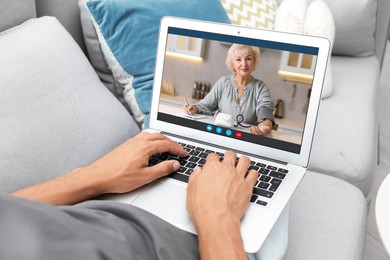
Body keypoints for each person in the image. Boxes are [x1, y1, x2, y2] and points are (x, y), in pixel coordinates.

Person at [184, 44, 275, 135]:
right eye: (238, 59)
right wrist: (194, 108)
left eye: (248, 59)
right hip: (220, 134)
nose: (244, 64)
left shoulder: (261, 88)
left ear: (254, 61)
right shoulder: (223, 82)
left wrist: (264, 127)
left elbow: (265, 112)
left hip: (245, 138)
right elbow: (205, 105)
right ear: (232, 63)